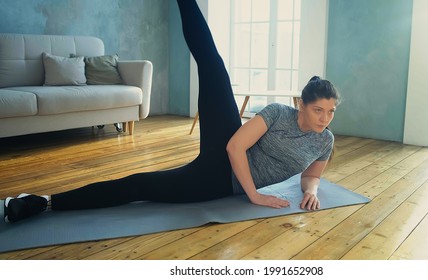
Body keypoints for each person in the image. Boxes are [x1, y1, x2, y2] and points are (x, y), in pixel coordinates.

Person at [3, 0, 340, 223]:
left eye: (330, 112)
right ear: (301, 104)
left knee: (139, 187)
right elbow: (234, 147)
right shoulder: (278, 113)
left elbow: (311, 175)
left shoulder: (325, 141)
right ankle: (44, 201)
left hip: (215, 183)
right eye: (318, 110)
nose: (324, 119)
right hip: (225, 157)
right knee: (213, 65)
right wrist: (255, 196)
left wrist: (309, 192)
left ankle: (43, 203)